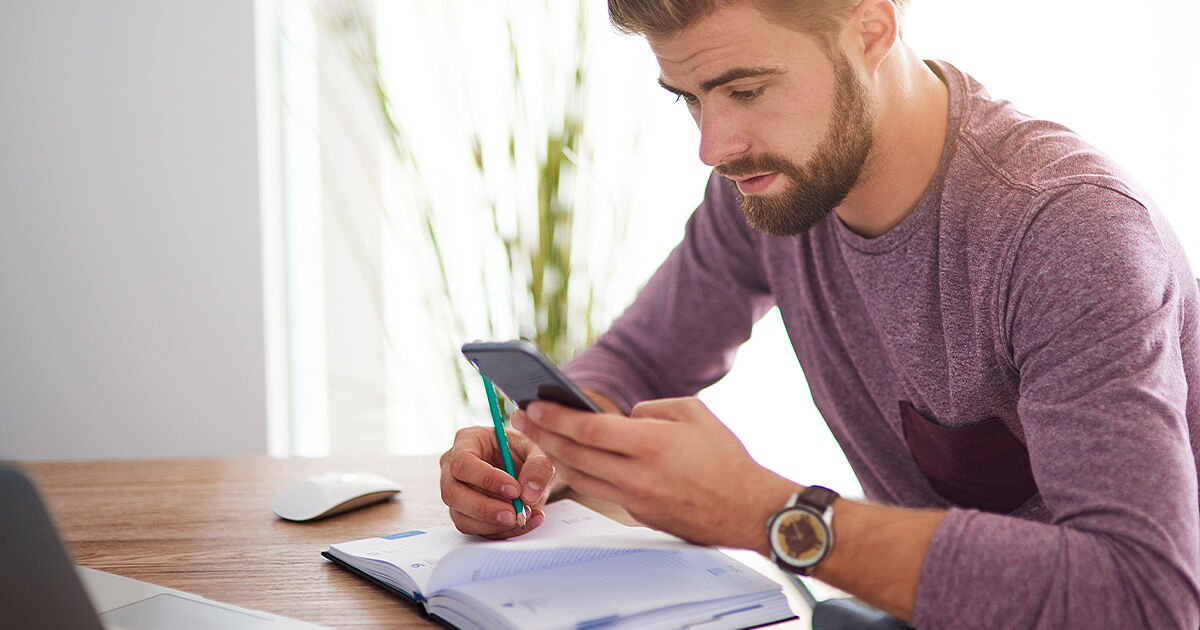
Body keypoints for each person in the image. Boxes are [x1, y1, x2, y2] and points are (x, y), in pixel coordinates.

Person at [439, 0, 1200, 627]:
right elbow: (635, 363)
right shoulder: (771, 182)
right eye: (690, 98)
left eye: (745, 90)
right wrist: (559, 444)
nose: (714, 145)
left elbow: (1141, 595)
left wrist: (768, 513)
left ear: (872, 28)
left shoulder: (1066, 230)